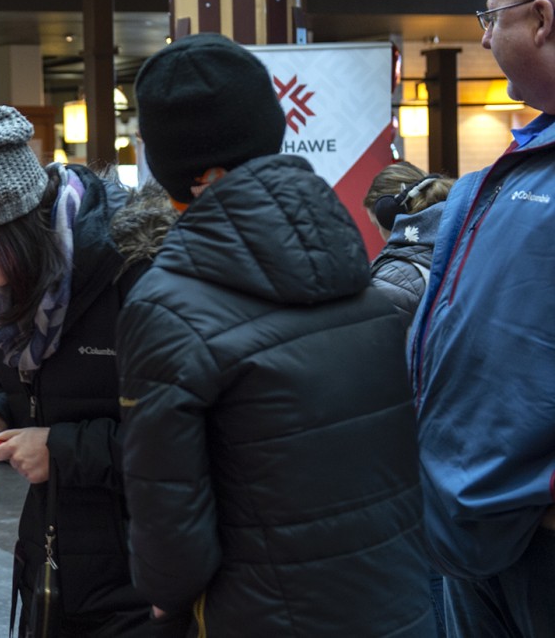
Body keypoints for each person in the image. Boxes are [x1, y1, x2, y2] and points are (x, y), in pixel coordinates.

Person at [115, 33, 433, 636]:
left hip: (260, 612)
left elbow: (170, 519)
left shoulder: (167, 304)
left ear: (169, 165)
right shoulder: (357, 265)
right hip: (396, 600)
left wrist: (163, 594)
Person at [0, 106, 171, 637]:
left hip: (146, 578)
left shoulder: (135, 269)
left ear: (11, 219)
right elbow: (31, 394)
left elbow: (185, 435)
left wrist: (62, 449)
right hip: (52, 565)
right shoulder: (7, 283)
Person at [409, 0, 555, 636]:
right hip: (474, 520)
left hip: (537, 528)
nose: (483, 36)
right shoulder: (517, 164)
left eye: (491, 18)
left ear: (543, 19)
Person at [363, 162, 453, 326]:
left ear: (389, 216)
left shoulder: (395, 277)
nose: (381, 235)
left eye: (378, 226)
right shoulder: (464, 241)